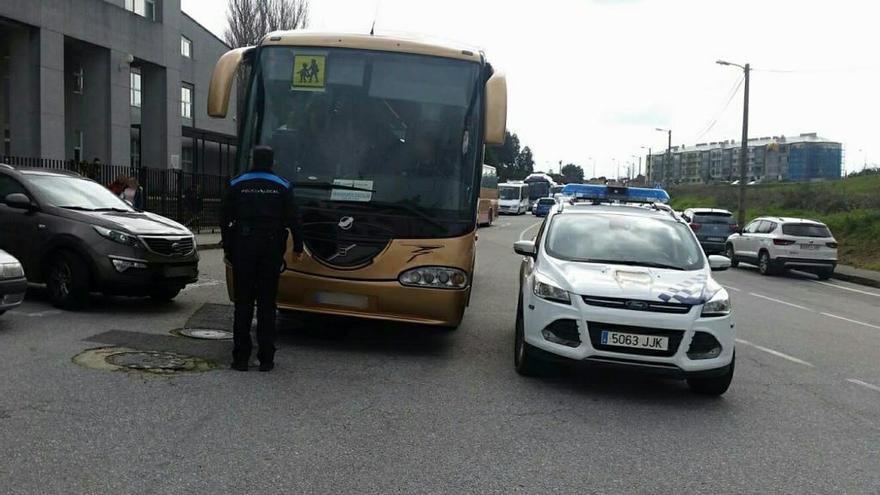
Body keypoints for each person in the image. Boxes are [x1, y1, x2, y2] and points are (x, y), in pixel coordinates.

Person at [221, 145, 304, 372]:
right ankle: (266, 358)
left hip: (243, 246)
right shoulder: (283, 186)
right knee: (267, 304)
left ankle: (240, 358)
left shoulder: (237, 184)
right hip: (270, 247)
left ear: (252, 160)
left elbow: (225, 217)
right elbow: (293, 219)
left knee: (243, 303)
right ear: (272, 162)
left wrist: (228, 247)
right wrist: (298, 245)